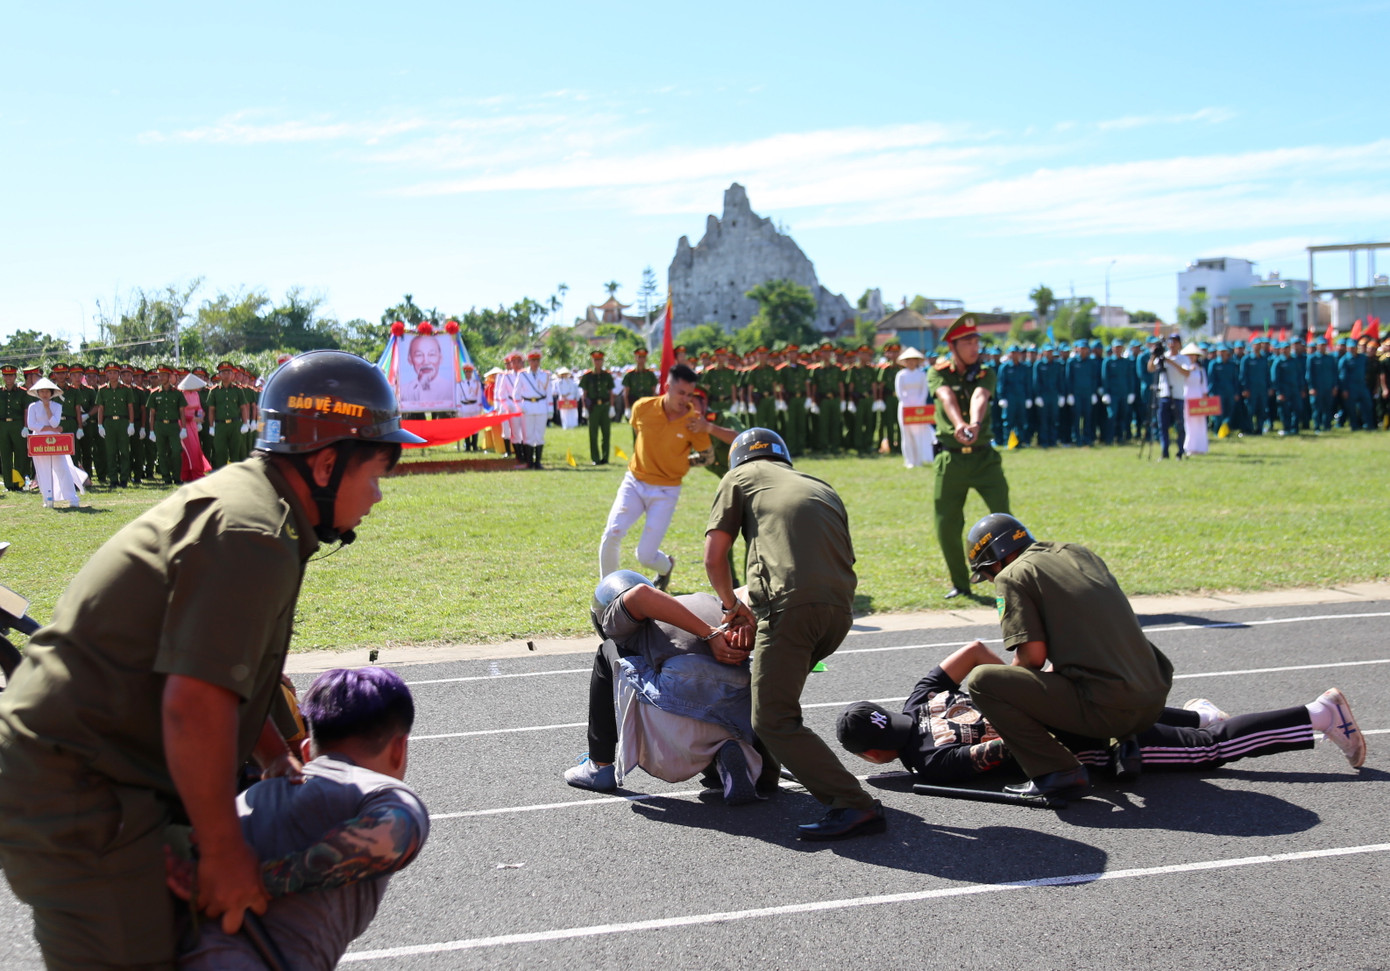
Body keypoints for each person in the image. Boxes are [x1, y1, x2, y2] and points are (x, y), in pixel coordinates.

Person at [0, 350, 425, 969]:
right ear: (326, 463)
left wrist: (272, 754)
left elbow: (233, 666)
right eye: (376, 474)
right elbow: (195, 703)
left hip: (98, 773)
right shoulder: (254, 533)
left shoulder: (264, 511)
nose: (378, 497)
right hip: (80, 790)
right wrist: (228, 859)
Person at [173, 667, 430, 971]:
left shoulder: (244, 803)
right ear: (400, 748)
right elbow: (392, 835)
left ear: (307, 751)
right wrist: (261, 882)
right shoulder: (382, 795)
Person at [836, 640, 1367, 785]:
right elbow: (975, 651)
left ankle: (1318, 715)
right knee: (1178, 724)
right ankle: (1198, 714)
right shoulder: (918, 699)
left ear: (875, 755)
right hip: (1067, 699)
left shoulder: (930, 764)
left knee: (1209, 752)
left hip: (1084, 741)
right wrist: (1023, 685)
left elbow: (1007, 750)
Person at [704, 427, 885, 841]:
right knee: (774, 696)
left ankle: (852, 802)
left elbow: (714, 557)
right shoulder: (820, 485)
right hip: (840, 610)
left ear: (738, 460)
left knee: (773, 717)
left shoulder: (738, 478)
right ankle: (764, 773)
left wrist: (731, 608)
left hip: (792, 607)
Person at [957, 512, 1174, 799]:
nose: (990, 579)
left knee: (983, 681)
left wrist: (1012, 698)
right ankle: (1125, 745)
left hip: (1112, 709)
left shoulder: (1011, 575)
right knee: (1101, 653)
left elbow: (1032, 659)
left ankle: (1057, 771)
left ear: (995, 562)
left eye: (986, 575)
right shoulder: (1077, 553)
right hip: (1153, 698)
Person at [563, 571, 766, 804]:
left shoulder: (616, 618)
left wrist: (709, 634)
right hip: (739, 709)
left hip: (681, 703)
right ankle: (726, 759)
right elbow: (749, 595)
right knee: (717, 742)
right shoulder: (709, 600)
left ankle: (599, 765)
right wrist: (745, 630)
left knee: (608, 649)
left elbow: (640, 595)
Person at [598, 363, 735, 588]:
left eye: (690, 394)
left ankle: (666, 566)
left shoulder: (693, 420)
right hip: (635, 482)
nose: (686, 399)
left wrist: (678, 462)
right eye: (681, 393)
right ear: (667, 387)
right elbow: (638, 431)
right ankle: (607, 591)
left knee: (645, 556)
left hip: (666, 490)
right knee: (612, 533)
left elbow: (708, 457)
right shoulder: (642, 407)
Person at [928, 314, 1010, 600]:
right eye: (968, 343)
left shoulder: (986, 372)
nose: (975, 347)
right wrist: (959, 424)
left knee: (1004, 520)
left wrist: (973, 424)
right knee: (947, 524)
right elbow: (946, 397)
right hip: (951, 460)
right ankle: (960, 583)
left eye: (977, 342)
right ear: (953, 346)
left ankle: (1009, 578)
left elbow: (980, 397)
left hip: (984, 459)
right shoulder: (937, 372)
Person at [23, 377, 84, 508]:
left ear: (51, 393)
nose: (44, 394)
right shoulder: (33, 406)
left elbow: (55, 423)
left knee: (62, 468)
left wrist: (47, 408)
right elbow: (31, 424)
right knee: (43, 470)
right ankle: (48, 498)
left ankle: (72, 498)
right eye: (42, 391)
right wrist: (48, 428)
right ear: (38, 393)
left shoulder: (57, 406)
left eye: (47, 391)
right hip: (38, 440)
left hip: (55, 440)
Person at [1147, 332, 1192, 459]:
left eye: (1175, 342)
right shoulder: (1163, 357)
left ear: (1179, 344)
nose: (1172, 345)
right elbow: (1150, 368)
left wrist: (1171, 362)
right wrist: (1154, 355)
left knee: (1179, 425)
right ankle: (1164, 451)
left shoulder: (1183, 358)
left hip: (1178, 395)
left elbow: (1186, 373)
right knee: (1163, 425)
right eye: (1170, 342)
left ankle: (1180, 451)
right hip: (1164, 394)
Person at [892, 346, 936, 468]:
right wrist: (907, 404)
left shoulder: (921, 374)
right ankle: (909, 460)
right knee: (906, 434)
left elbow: (924, 391)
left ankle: (919, 459)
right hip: (905, 407)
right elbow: (899, 392)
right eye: (909, 360)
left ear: (917, 361)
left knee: (919, 434)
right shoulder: (901, 375)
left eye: (913, 360)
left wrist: (918, 404)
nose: (911, 362)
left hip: (919, 407)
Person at [514, 350, 552, 469]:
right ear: (529, 361)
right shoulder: (522, 375)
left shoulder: (545, 375)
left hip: (541, 406)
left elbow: (549, 393)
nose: (535, 363)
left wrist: (550, 409)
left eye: (537, 360)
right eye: (532, 360)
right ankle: (529, 462)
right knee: (528, 436)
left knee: (539, 436)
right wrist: (521, 407)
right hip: (528, 407)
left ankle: (538, 462)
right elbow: (516, 394)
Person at [579, 350, 614, 464]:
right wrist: (584, 408)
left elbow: (611, 392)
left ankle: (605, 457)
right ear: (592, 361)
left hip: (605, 406)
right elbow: (584, 394)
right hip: (593, 408)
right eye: (595, 360)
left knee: (606, 433)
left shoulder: (607, 375)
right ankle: (595, 458)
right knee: (593, 434)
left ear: (602, 361)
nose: (598, 362)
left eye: (599, 360)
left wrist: (612, 407)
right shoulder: (587, 376)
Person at [1181, 342, 1210, 454]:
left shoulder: (1200, 369)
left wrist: (1205, 397)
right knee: (1188, 422)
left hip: (1198, 396)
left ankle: (1201, 446)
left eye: (1193, 355)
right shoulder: (1183, 367)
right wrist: (1189, 370)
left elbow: (1204, 385)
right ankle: (1189, 446)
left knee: (1200, 422)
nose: (1191, 357)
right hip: (1187, 395)